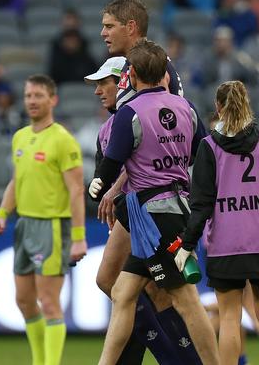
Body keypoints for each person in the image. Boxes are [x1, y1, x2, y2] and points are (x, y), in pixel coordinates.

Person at [90, 40, 219, 365]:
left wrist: (98, 185)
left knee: (186, 299)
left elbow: (112, 162)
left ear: (130, 76)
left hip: (152, 214)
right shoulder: (185, 106)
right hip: (172, 208)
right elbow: (199, 152)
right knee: (122, 294)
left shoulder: (129, 113)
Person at [179, 80, 259, 365]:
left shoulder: (209, 147)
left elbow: (201, 203)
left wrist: (187, 244)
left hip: (226, 244)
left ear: (218, 107)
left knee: (229, 316)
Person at [0, 74, 88, 365]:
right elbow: (16, 180)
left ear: (52, 100)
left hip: (52, 226)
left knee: (49, 302)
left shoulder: (62, 140)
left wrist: (79, 236)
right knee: (23, 300)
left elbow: (76, 190)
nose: (32, 101)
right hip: (24, 225)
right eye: (28, 96)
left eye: (38, 96)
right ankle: (38, 359)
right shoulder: (20, 137)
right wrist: (2, 213)